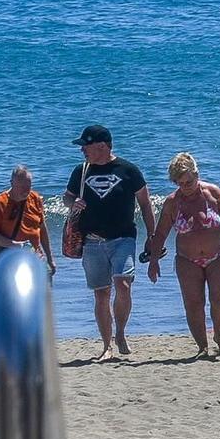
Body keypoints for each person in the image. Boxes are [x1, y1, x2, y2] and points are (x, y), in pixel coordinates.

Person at [63, 125, 153, 362]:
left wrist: (152, 237)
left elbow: (145, 203)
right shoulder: (81, 171)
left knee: (123, 285)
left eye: (86, 145)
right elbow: (67, 196)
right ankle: (106, 346)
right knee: (101, 294)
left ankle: (120, 333)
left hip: (123, 238)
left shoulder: (128, 170)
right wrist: (73, 203)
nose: (82, 149)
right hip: (91, 241)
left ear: (102, 146)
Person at [144, 153, 220, 358]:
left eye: (188, 181)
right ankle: (202, 346)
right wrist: (153, 260)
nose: (185, 186)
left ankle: (218, 336)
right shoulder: (173, 202)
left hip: (219, 254)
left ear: (196, 174)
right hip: (186, 259)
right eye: (179, 183)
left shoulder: (213, 193)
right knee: (193, 303)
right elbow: (162, 232)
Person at [0, 166, 55, 276]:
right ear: (12, 183)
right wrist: (17, 245)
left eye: (28, 185)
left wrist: (50, 258)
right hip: (9, 258)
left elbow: (42, 228)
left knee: (45, 288)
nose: (26, 190)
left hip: (35, 256)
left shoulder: (35, 198)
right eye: (21, 186)